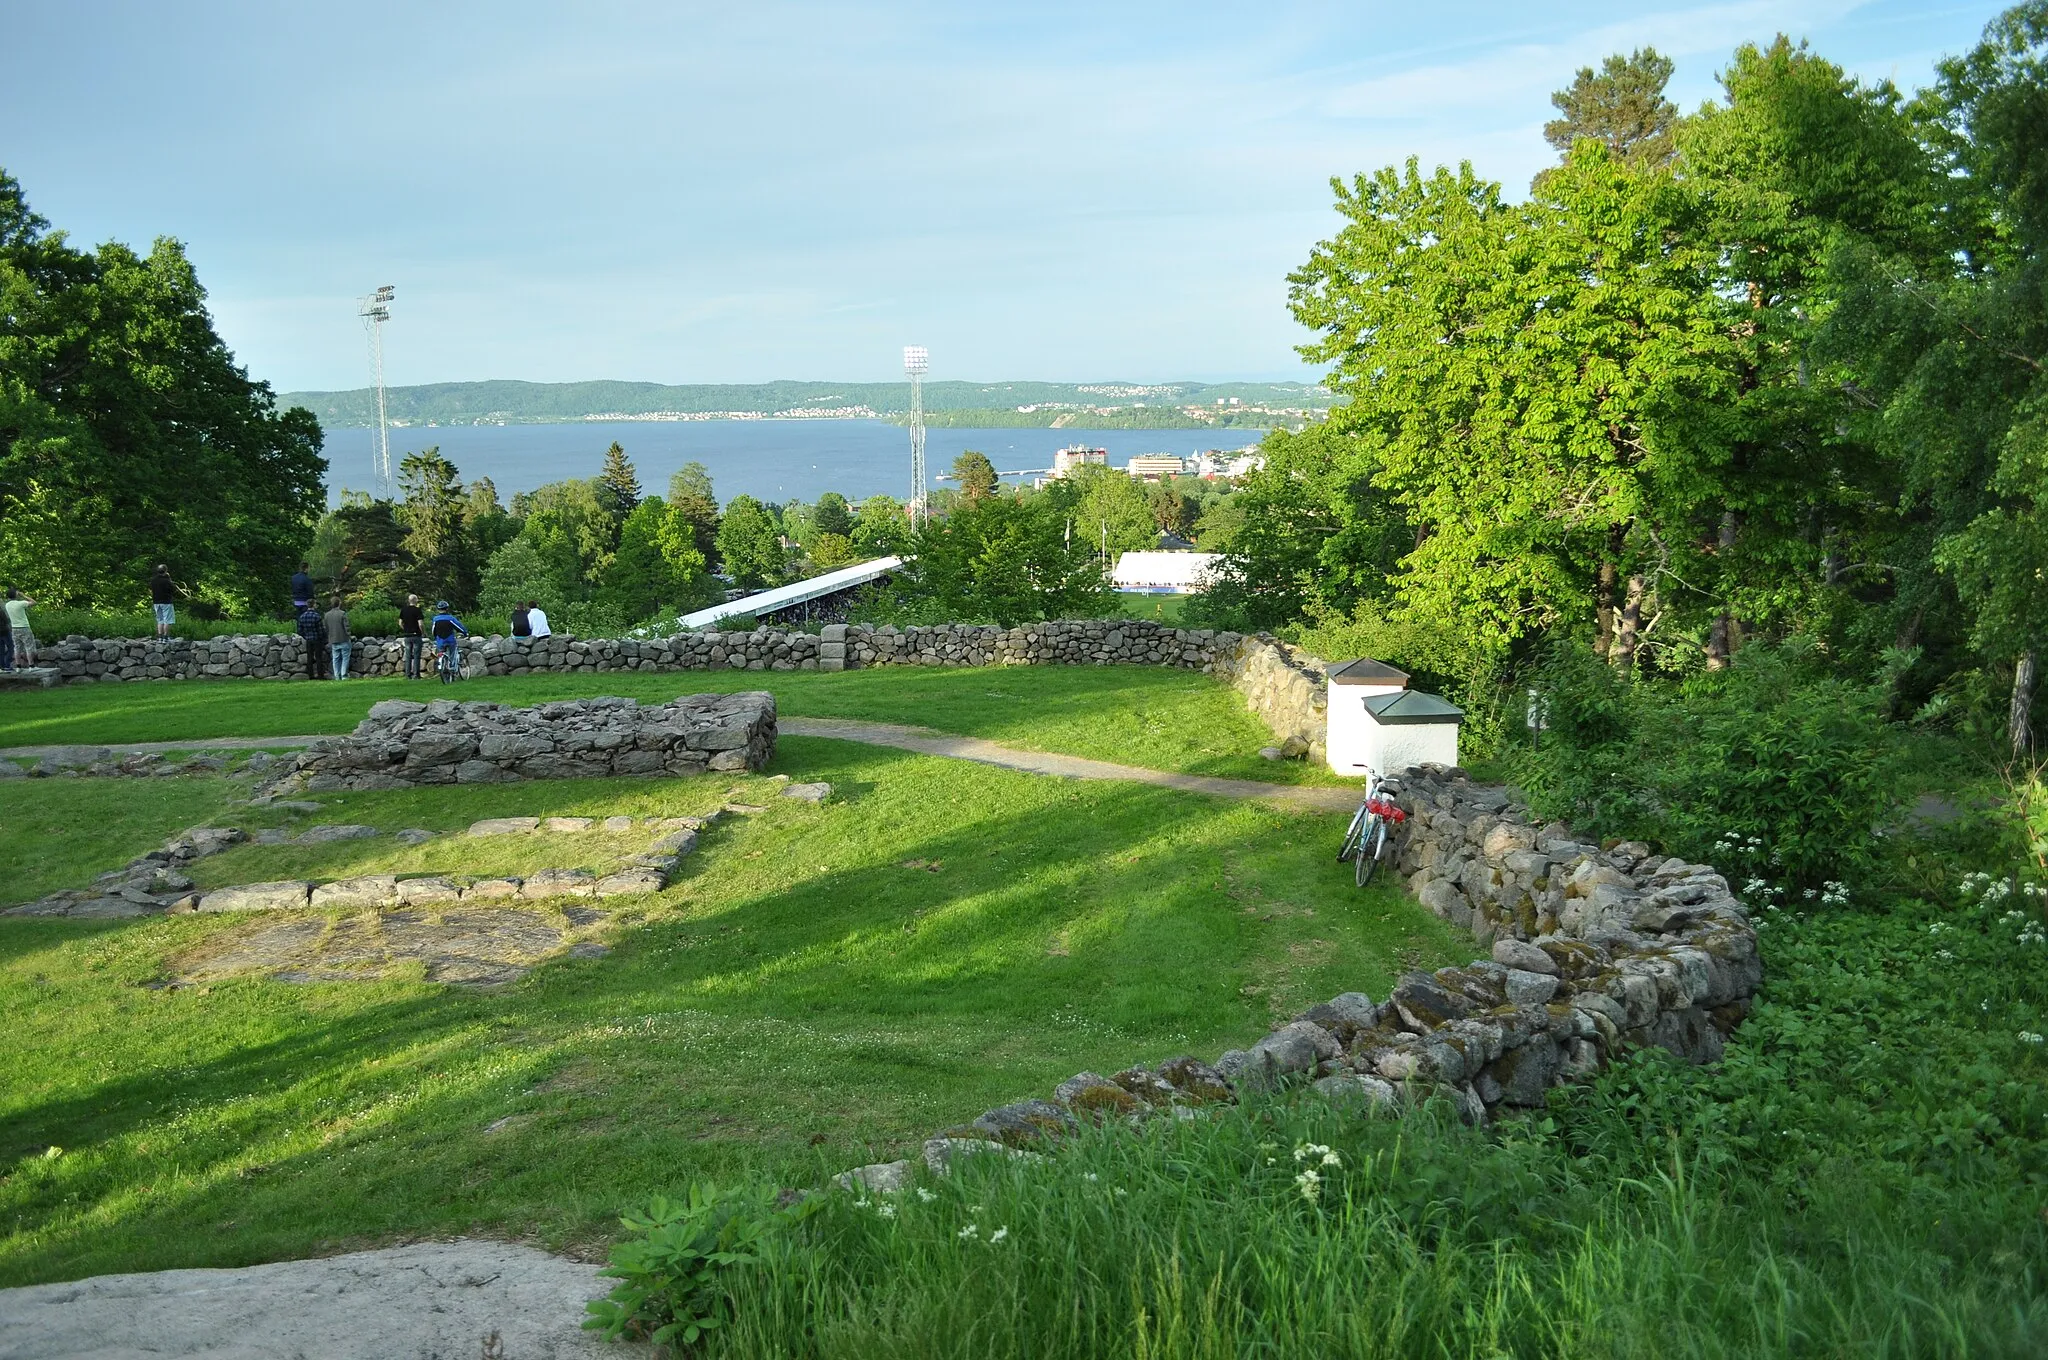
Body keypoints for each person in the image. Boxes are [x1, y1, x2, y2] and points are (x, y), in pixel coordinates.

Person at [430, 600, 469, 677]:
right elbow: (459, 627)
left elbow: (433, 630)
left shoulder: (435, 619)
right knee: (452, 654)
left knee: (441, 653)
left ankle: (443, 668)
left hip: (440, 640)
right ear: (447, 608)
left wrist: (435, 637)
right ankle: (452, 668)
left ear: (438, 609)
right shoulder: (450, 618)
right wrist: (465, 633)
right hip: (450, 639)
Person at [4, 589, 35, 668]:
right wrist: (23, 595)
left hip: (14, 628)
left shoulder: (7, 605)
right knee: (28, 646)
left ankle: (18, 666)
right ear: (16, 595)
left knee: (17, 647)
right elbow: (34, 602)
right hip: (24, 627)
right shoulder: (21, 603)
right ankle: (31, 666)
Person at [323, 596, 352, 680]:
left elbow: (326, 628)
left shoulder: (327, 615)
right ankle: (344, 675)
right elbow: (346, 627)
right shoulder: (342, 613)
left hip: (333, 639)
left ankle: (337, 675)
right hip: (343, 639)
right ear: (339, 603)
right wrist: (349, 635)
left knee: (335, 658)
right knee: (345, 657)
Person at [296, 601, 326, 680]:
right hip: (316, 639)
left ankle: (310, 675)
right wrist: (322, 637)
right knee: (318, 658)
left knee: (309, 657)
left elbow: (299, 630)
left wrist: (305, 636)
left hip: (308, 639)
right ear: (314, 605)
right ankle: (320, 675)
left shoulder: (302, 616)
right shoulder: (317, 616)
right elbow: (320, 630)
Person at [399, 594, 425, 679]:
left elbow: (400, 623)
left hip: (407, 635)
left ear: (409, 600)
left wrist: (405, 629)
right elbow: (420, 624)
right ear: (416, 600)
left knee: (408, 655)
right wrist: (423, 632)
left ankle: (407, 674)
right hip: (416, 635)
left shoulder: (404, 610)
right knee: (417, 655)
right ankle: (416, 675)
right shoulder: (417, 610)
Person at [149, 565, 177, 637]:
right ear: (166, 571)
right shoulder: (167, 581)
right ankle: (166, 637)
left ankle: (160, 637)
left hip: (156, 602)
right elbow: (173, 589)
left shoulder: (153, 580)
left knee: (160, 620)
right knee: (167, 620)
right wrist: (169, 579)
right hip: (166, 602)